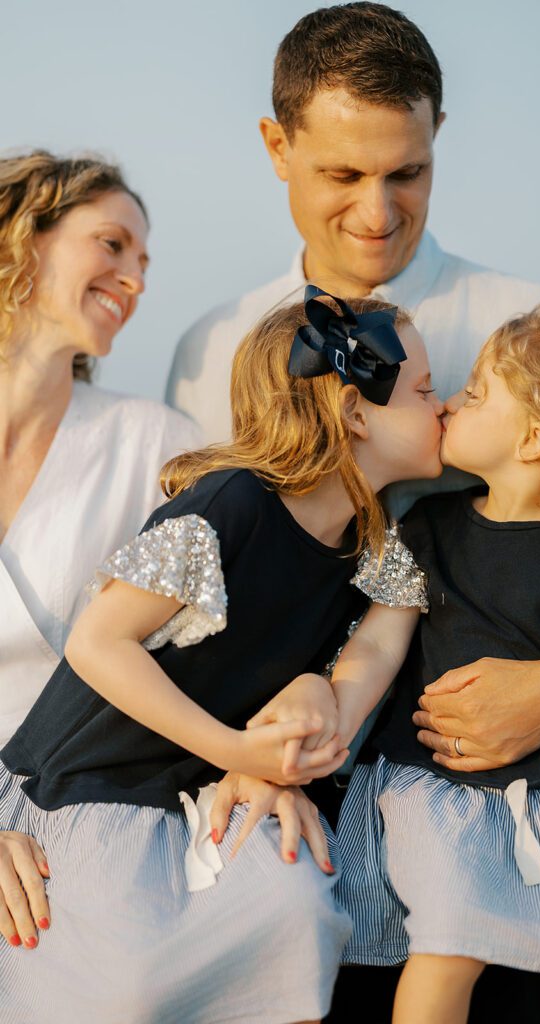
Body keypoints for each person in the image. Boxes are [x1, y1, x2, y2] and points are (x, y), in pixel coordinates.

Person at [167, 6, 540, 1018]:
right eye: (342, 175)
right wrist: (248, 752)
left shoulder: (527, 328)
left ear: (438, 132)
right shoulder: (216, 344)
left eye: (406, 171)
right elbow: (196, 595)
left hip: (502, 807)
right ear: (276, 147)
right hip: (291, 813)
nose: (376, 210)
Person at [0, 289, 444, 1024]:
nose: (445, 405)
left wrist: (312, 716)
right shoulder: (232, 504)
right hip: (84, 785)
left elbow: (372, 647)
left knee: (292, 925)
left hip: (197, 795)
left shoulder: (372, 547)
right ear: (355, 413)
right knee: (120, 989)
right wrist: (238, 747)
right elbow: (97, 642)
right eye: (426, 390)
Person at [279, 300, 540, 1023]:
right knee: (449, 944)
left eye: (476, 392)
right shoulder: (427, 527)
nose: (452, 402)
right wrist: (333, 709)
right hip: (437, 790)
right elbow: (377, 641)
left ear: (531, 439)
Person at [0, 150, 204, 951]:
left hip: (88, 835)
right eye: (112, 244)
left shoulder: (158, 446)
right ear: (24, 237)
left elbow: (227, 644)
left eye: (145, 261)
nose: (135, 278)